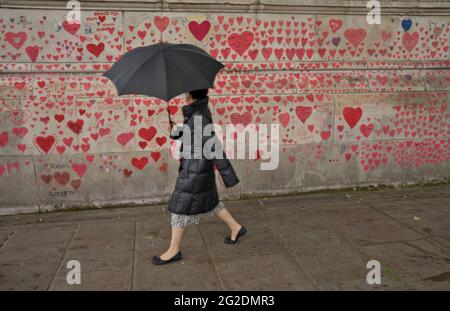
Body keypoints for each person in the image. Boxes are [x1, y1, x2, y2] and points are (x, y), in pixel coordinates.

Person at [152, 88, 246, 265]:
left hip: (195, 171)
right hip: (197, 169)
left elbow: (213, 147)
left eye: (186, 93)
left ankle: (174, 250)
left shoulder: (199, 117)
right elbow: (193, 139)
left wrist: (229, 175)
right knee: (212, 202)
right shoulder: (197, 113)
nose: (184, 95)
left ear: (190, 95)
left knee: (180, 206)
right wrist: (175, 132)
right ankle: (236, 227)